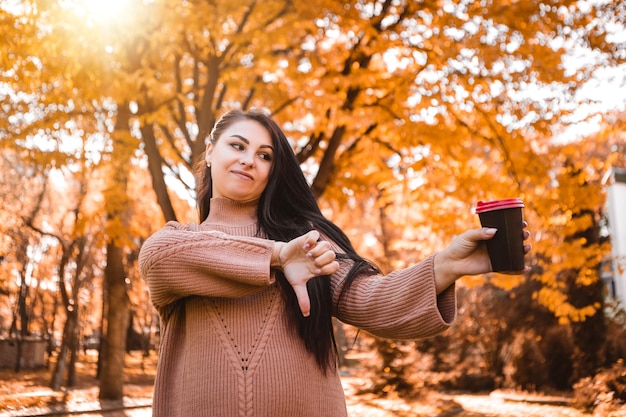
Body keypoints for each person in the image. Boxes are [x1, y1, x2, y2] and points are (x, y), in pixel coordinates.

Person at [138, 109, 531, 417]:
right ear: (210, 151)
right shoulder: (179, 242)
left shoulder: (307, 239)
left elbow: (370, 299)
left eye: (264, 155)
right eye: (236, 146)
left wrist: (447, 265)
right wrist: (276, 258)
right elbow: (158, 259)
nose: (249, 161)